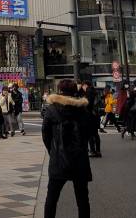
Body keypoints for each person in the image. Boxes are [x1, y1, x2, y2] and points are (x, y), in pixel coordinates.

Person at [42, 79, 92, 218]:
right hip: (80, 158)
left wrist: (53, 151)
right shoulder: (83, 109)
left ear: (60, 90)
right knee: (82, 198)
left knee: (52, 197)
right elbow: (89, 133)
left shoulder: (52, 109)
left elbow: (45, 134)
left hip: (59, 158)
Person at [81, 81, 101, 157]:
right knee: (96, 134)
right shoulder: (95, 91)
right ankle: (98, 151)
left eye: (83, 86)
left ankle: (92, 151)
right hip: (96, 116)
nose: (83, 88)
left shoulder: (88, 91)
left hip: (90, 116)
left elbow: (88, 105)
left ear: (85, 85)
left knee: (89, 134)